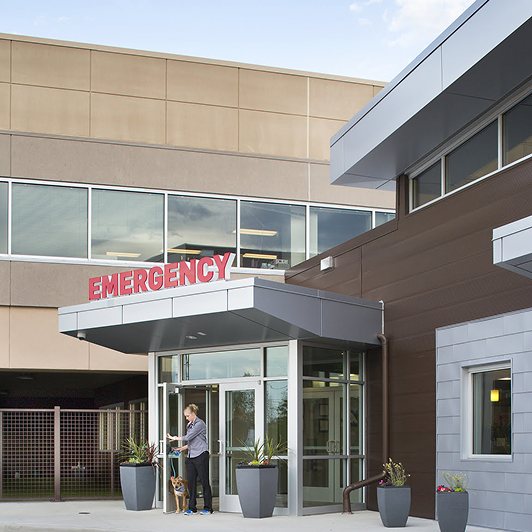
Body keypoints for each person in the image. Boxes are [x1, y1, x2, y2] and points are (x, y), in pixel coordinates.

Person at [167, 403, 213, 515]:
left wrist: (174, 438)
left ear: (193, 414)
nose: (186, 418)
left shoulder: (200, 424)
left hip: (201, 455)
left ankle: (208, 508)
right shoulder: (189, 425)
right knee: (191, 483)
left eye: (187, 416)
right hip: (191, 456)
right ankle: (192, 508)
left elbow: (188, 437)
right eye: (185, 416)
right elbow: (191, 442)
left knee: (204, 481)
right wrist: (181, 449)